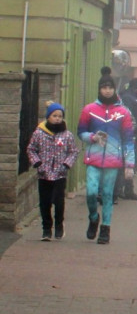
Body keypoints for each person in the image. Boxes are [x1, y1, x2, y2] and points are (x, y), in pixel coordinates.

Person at [77, 67, 134, 244]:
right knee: (91, 193)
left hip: (113, 160)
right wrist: (92, 137)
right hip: (93, 158)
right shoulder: (89, 109)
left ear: (115, 89)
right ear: (99, 89)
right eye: (104, 87)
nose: (107, 90)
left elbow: (128, 139)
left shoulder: (123, 112)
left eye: (110, 87)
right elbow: (81, 132)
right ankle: (94, 217)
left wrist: (129, 164)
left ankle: (105, 228)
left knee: (108, 194)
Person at [26, 102, 79, 241]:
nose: (57, 118)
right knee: (45, 202)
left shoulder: (67, 135)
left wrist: (66, 165)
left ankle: (59, 225)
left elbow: (73, 151)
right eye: (54, 115)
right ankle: (46, 229)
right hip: (44, 174)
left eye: (60, 116)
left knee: (58, 201)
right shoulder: (39, 133)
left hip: (60, 174)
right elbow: (31, 149)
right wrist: (37, 163)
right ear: (48, 116)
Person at [117, 77, 137, 199]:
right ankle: (120, 189)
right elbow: (128, 117)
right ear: (136, 87)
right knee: (126, 164)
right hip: (131, 136)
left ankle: (128, 190)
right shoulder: (128, 98)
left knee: (131, 165)